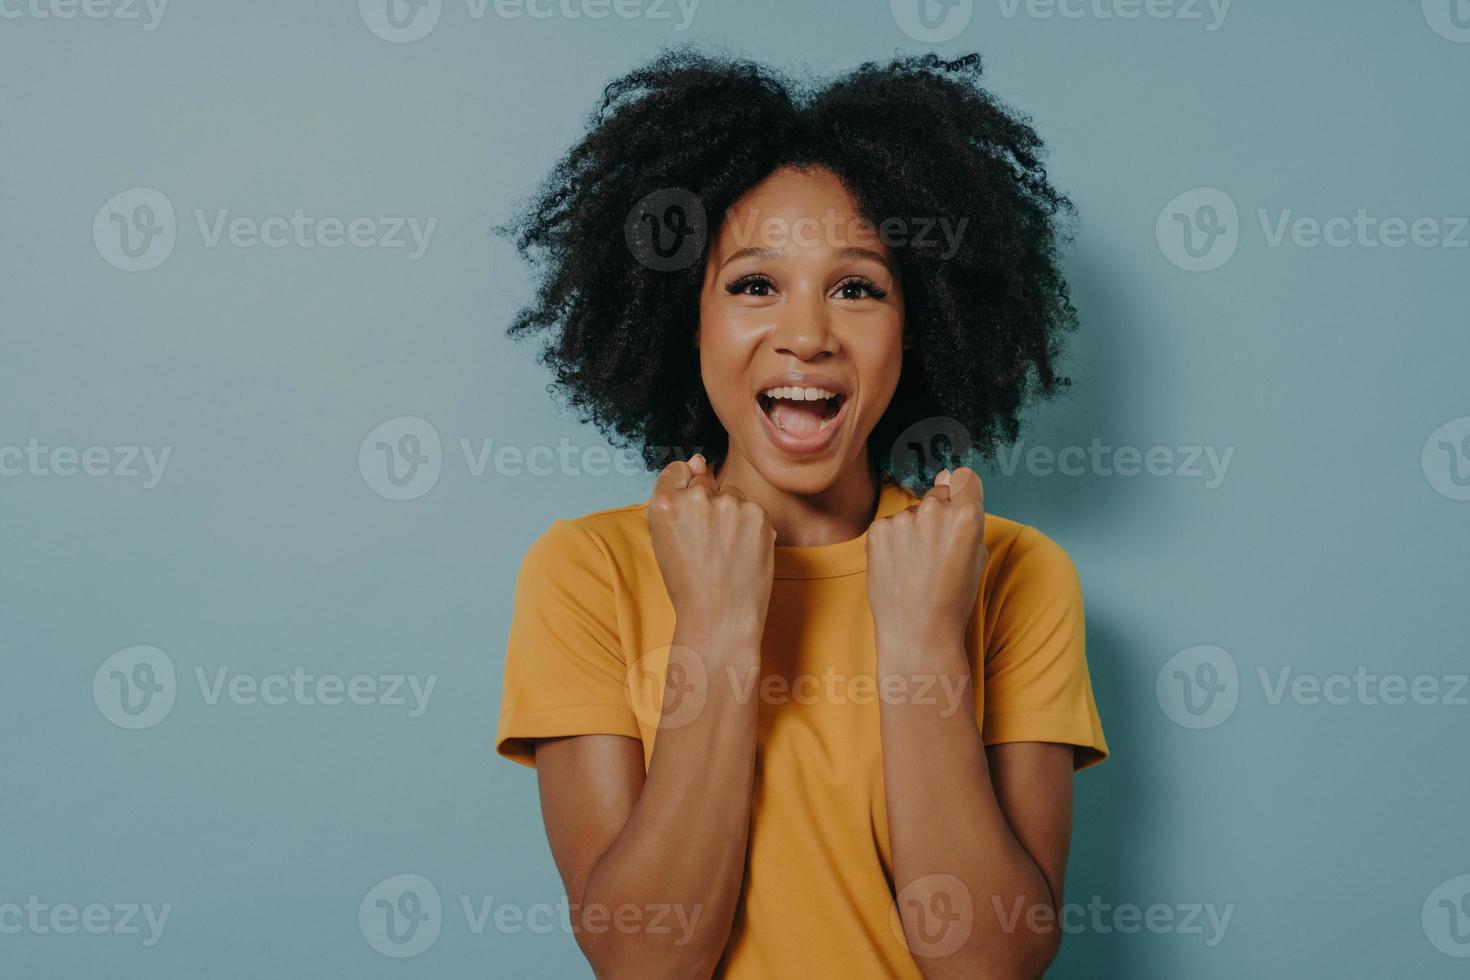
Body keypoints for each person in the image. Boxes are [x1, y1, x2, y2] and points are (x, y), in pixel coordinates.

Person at [495, 48, 1109, 979]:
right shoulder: (588, 571)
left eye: (857, 286)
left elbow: (989, 963)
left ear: (921, 322)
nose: (808, 335)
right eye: (753, 284)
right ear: (683, 317)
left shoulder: (1014, 573)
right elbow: (643, 961)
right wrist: (717, 623)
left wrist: (919, 644)